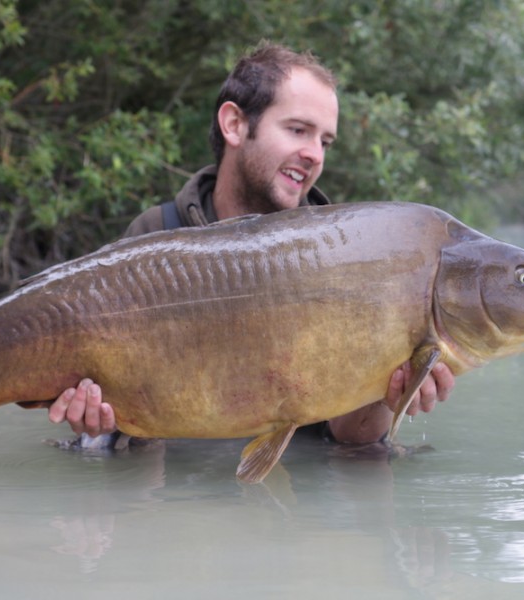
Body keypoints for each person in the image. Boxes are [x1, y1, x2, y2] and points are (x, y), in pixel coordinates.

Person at [48, 42, 454, 447]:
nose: (314, 154)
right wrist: (97, 422)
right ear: (235, 125)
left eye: (325, 142)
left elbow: (348, 444)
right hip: (174, 483)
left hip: (298, 487)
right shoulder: (154, 234)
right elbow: (119, 428)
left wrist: (390, 397)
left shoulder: (350, 258)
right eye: (298, 130)